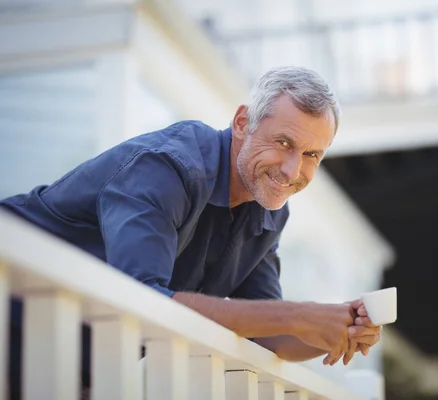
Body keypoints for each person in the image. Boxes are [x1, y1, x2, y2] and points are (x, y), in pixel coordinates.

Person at [1, 66, 381, 395]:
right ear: (242, 122)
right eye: (283, 143)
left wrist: (338, 328)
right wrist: (298, 315)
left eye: (312, 155)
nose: (292, 170)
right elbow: (141, 299)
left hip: (63, 369)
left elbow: (265, 333)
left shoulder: (267, 210)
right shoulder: (166, 168)